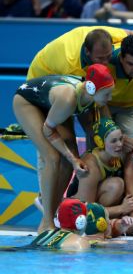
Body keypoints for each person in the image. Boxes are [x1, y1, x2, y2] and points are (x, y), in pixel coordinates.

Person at [13, 64, 115, 233]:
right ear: (91, 88)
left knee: (70, 159)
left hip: (51, 104)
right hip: (27, 102)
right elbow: (48, 129)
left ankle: (52, 211)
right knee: (52, 157)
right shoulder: (69, 99)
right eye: (107, 94)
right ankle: (46, 222)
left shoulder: (90, 96)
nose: (110, 98)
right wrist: (72, 158)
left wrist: (74, 158)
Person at [27, 25, 133, 80]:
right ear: (87, 52)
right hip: (42, 75)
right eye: (100, 59)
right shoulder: (71, 65)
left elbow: (130, 33)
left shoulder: (104, 36)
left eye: (108, 56)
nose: (105, 63)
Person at [68, 117, 133, 219]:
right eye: (113, 141)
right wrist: (122, 208)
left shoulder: (117, 153)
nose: (119, 144)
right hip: (76, 212)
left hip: (99, 207)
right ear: (100, 142)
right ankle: (99, 221)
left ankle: (107, 219)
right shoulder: (91, 165)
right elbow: (84, 209)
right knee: (116, 185)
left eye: (120, 139)